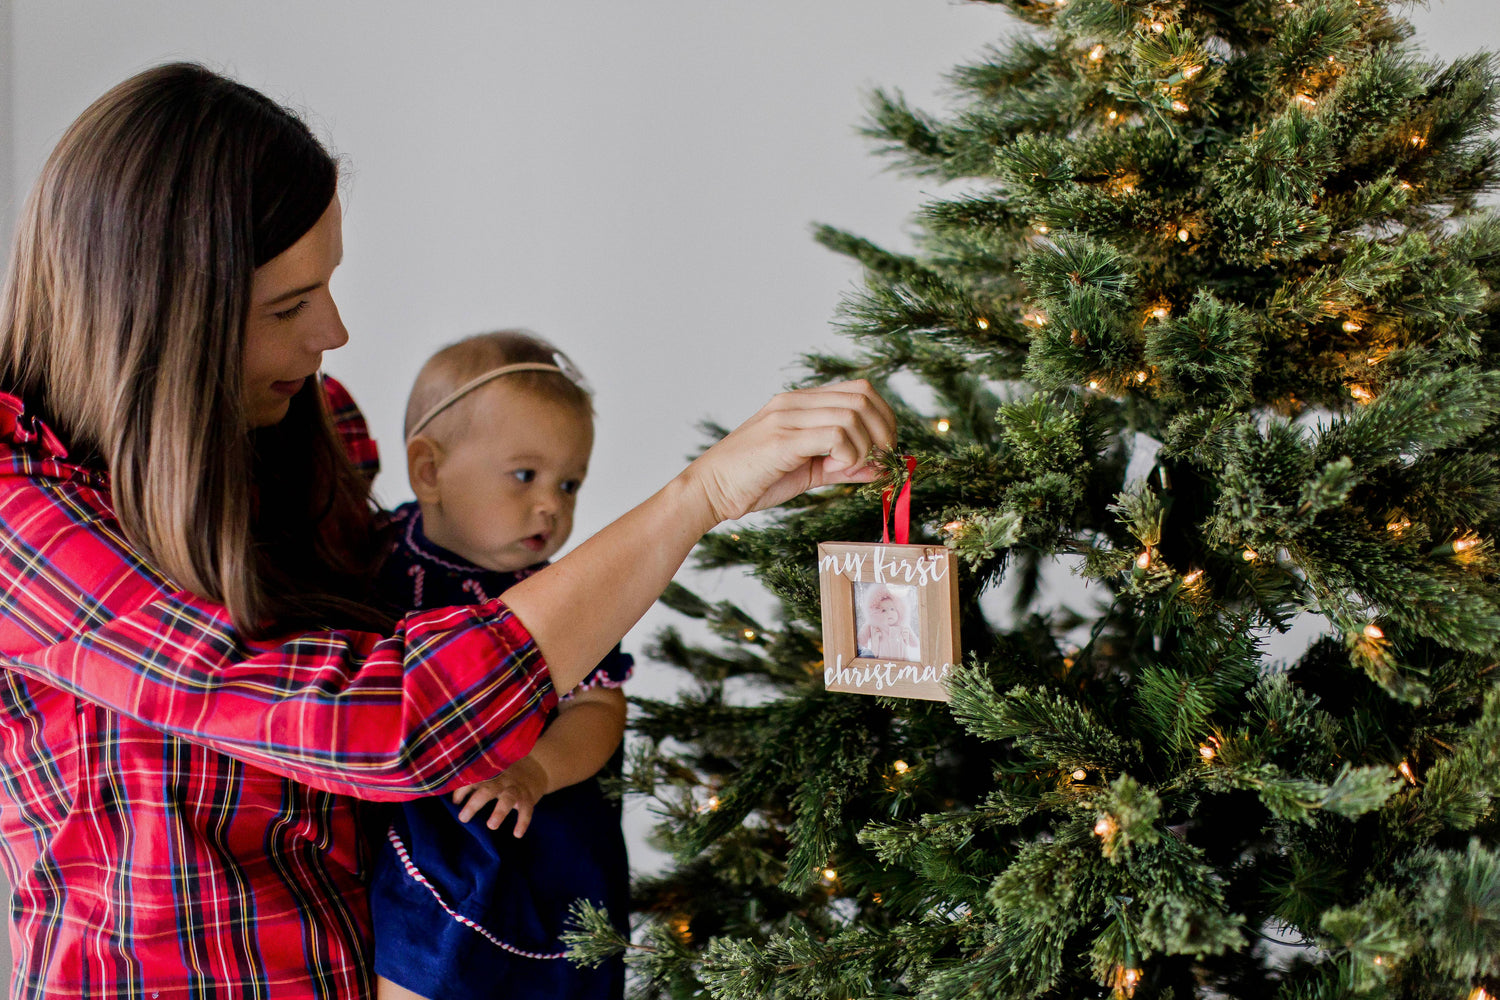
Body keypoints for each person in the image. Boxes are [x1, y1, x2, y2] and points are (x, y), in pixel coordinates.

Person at [0, 62, 894, 998]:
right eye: (289, 307)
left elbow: (429, 614)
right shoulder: (24, 520)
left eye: (328, 285)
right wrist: (697, 497)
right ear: (168, 317)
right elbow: (376, 718)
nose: (334, 331)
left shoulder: (298, 428)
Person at [370, 330, 631, 1000]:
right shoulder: (373, 555)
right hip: (413, 836)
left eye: (569, 484)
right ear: (428, 471)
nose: (553, 505)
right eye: (526, 475)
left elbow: (599, 708)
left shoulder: (556, 602)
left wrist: (537, 769)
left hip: (531, 833)